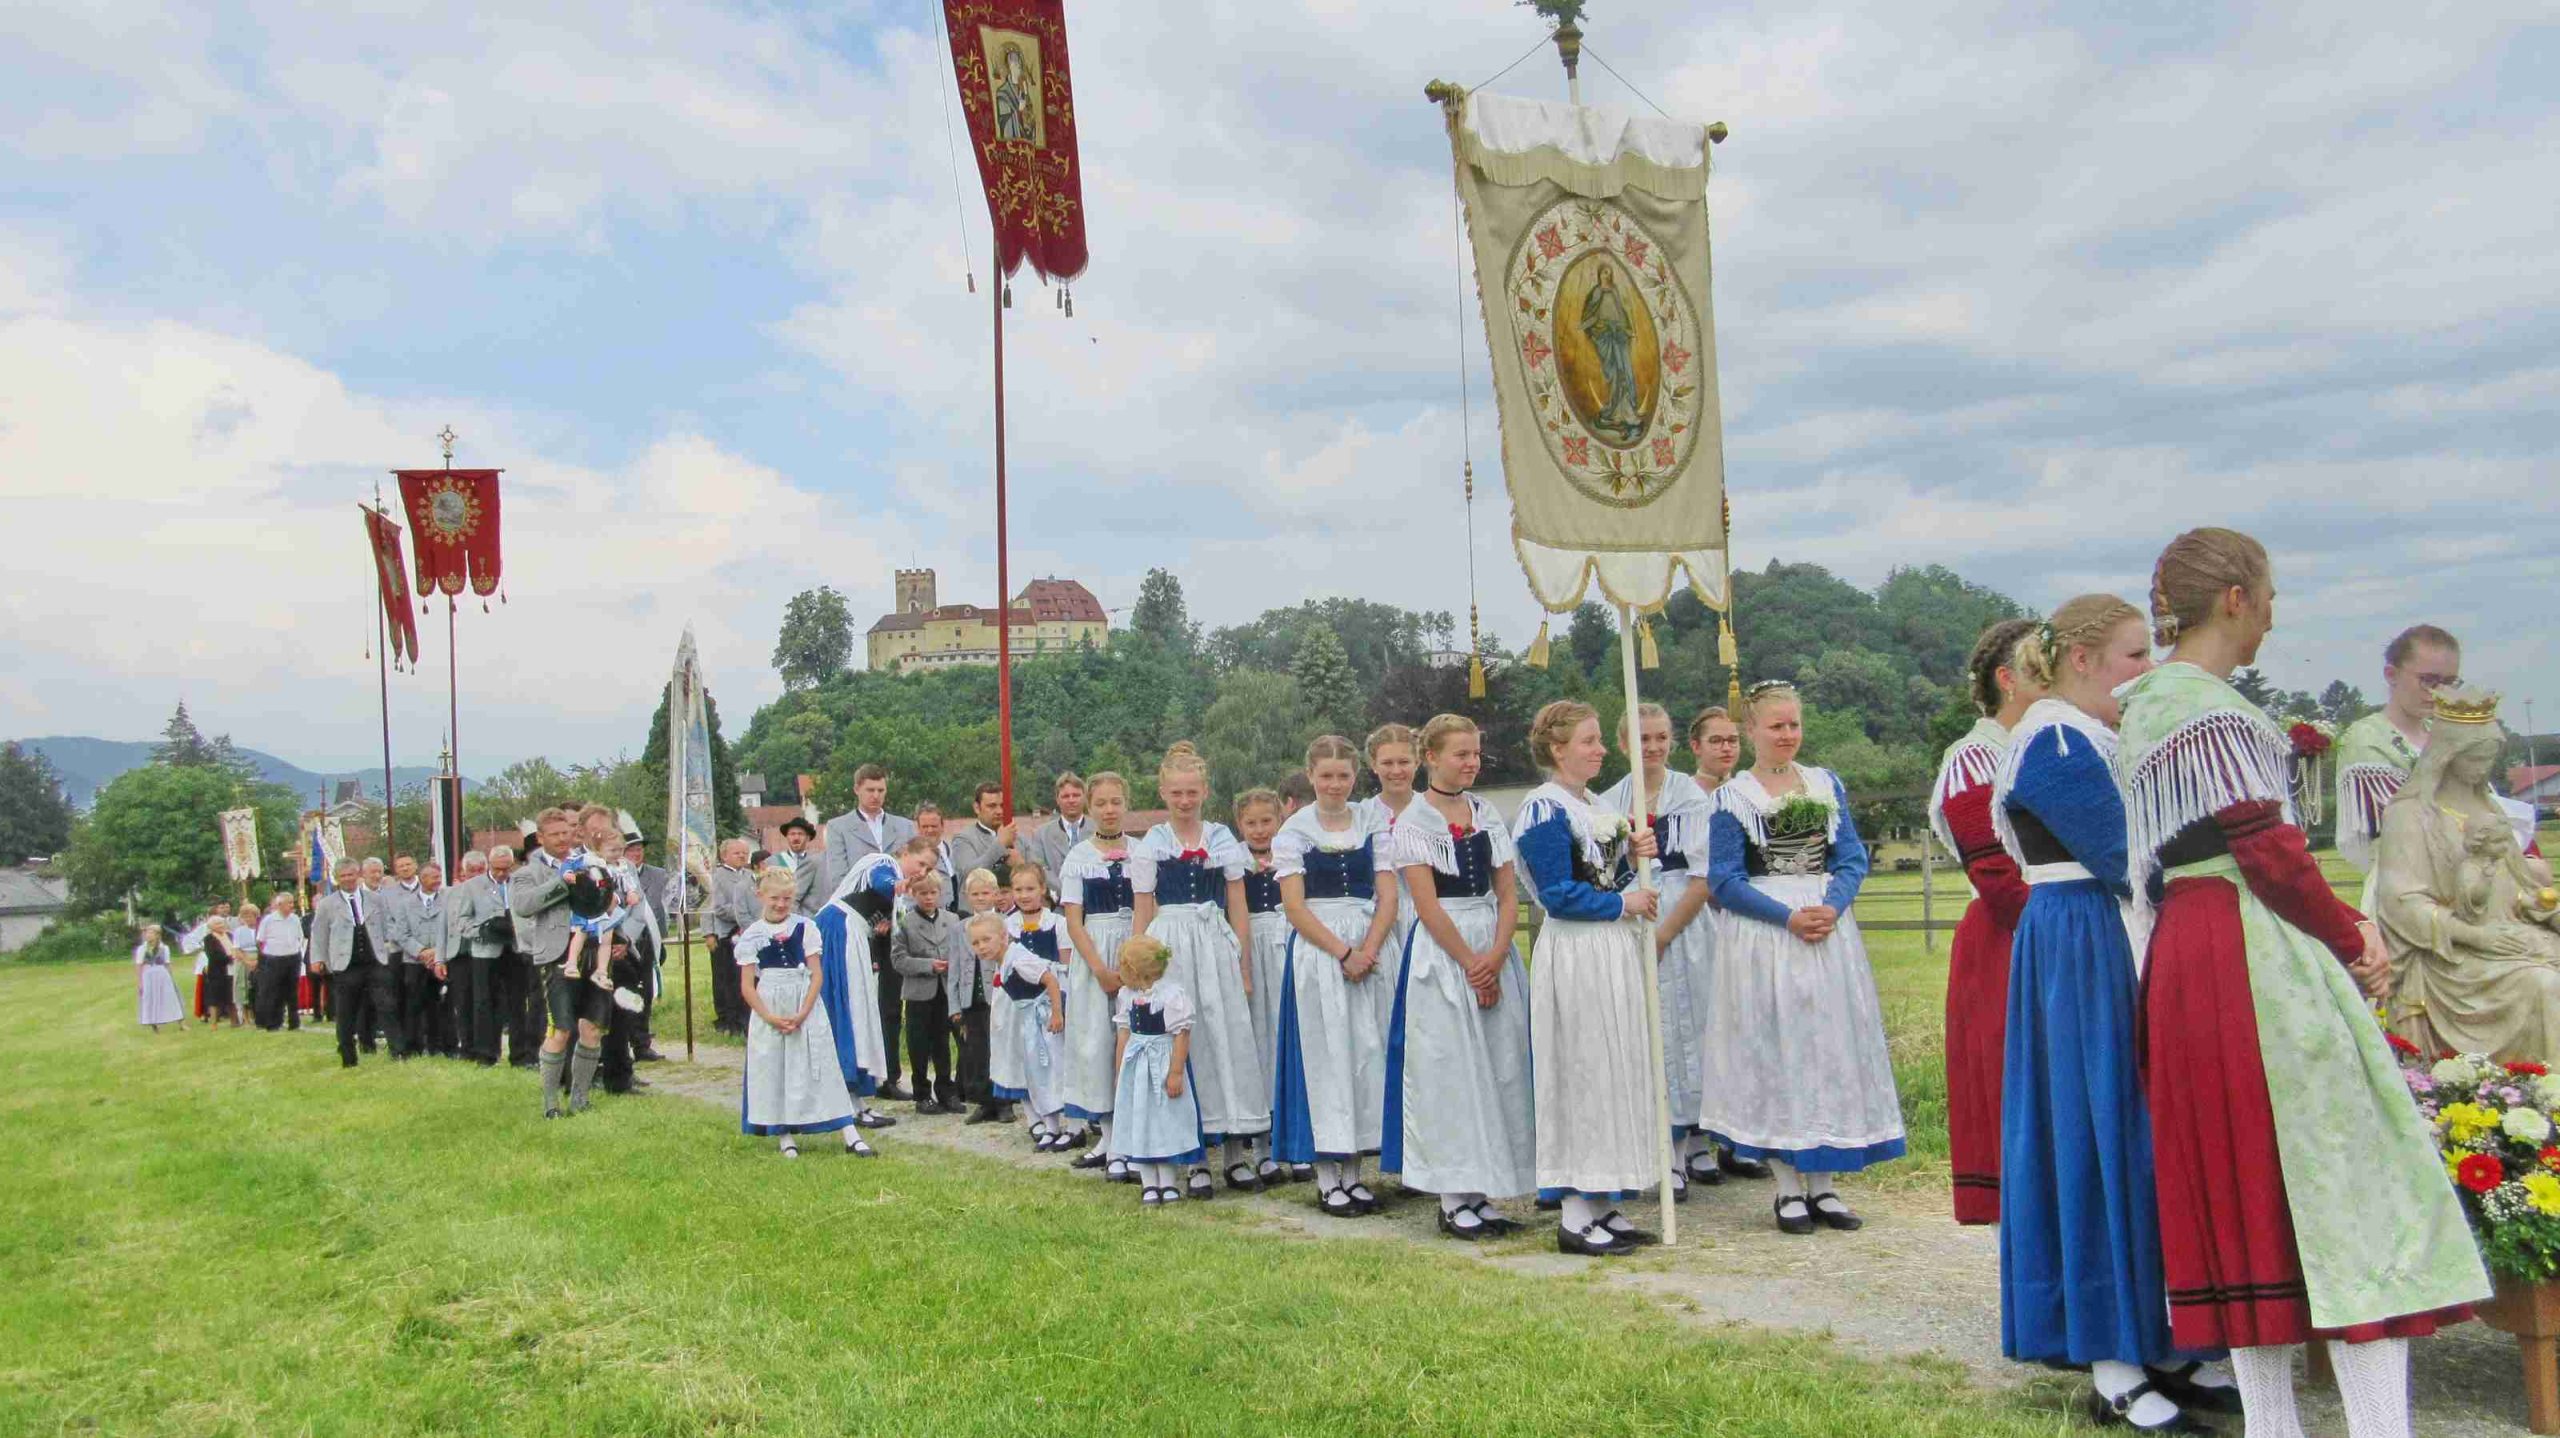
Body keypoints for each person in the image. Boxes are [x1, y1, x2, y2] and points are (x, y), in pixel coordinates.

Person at [2119, 527, 2485, 1438]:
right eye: (2270, 596)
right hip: (2251, 956)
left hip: (2188, 952)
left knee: (2245, 1197)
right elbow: (2269, 851)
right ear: (2235, 598)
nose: (2275, 617)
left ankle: (2274, 1425)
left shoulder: (2146, 704)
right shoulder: (2208, 707)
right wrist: (2352, 934)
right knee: (2349, 1185)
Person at [1991, 597, 2213, 1432]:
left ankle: (2158, 1337)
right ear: (2080, 660)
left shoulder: (2092, 736)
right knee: (2093, 1133)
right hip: (2084, 942)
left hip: (2110, 934)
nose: (2145, 671)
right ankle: (2111, 1358)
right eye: (2133, 656)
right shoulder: (2054, 741)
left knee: (2134, 1133)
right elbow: (2133, 857)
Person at [1697, 681, 1904, 1235]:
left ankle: (1825, 1183)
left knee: (1826, 1047)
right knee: (1778, 1048)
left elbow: (1851, 857)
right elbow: (1724, 880)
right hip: (1768, 933)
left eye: (1794, 724)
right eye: (1776, 726)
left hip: (1825, 925)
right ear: (1751, 730)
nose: (1787, 735)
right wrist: (1786, 917)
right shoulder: (1733, 798)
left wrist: (1832, 906)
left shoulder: (1824, 783)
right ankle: (1787, 1185)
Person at [1510, 700, 1660, 1256]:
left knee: (1615, 1066)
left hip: (1611, 948)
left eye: (1599, 740)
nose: (1600, 750)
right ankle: (1574, 1212)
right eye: (1589, 741)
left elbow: (1605, 876)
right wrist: (1622, 903)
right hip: (1576, 950)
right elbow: (1557, 893)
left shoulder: (1596, 804)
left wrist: (1633, 857)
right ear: (1558, 749)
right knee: (1582, 1069)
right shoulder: (1543, 808)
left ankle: (1605, 1200)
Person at [1386, 714, 1531, 1241]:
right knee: (1450, 1070)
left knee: (1498, 1065)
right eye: (1461, 754)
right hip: (1445, 952)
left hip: (1491, 940)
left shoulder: (1485, 812)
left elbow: (1508, 893)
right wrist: (1471, 963)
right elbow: (1426, 905)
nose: (1472, 763)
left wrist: (1497, 954)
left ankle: (1485, 1188)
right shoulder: (1414, 821)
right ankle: (1452, 1197)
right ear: (1431, 757)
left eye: (1475, 754)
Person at [2376, 689, 2560, 1060]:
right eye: (2475, 757)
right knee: (2544, 984)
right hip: (2453, 956)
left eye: (2489, 757)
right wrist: (2477, 936)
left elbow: (2515, 884)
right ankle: (2542, 1085)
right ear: (2448, 753)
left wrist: (2542, 908)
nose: (2483, 767)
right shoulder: (2409, 815)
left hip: (2509, 934)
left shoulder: (2487, 808)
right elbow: (2401, 904)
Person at [1932, 618, 2041, 1225]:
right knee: (2011, 1078)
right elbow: (1997, 875)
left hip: (2046, 922)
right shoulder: (1975, 758)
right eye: (2038, 665)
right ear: (2007, 679)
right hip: (2010, 933)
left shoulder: (2050, 742)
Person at [1130, 742, 1266, 1201]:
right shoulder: (1153, 843)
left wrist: (1242, 962)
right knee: (1185, 1041)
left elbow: (1238, 905)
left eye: (1192, 792)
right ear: (1163, 793)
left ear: (1205, 792)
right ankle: (1195, 1161)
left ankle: (1235, 1153)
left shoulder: (1222, 838)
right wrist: (1139, 967)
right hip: (1171, 943)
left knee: (1226, 1037)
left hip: (1213, 942)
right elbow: (1143, 907)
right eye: (1176, 793)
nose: (1185, 801)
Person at [1271, 734, 1400, 1214]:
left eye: (1343, 775)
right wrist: (1343, 952)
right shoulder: (1295, 831)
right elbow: (1294, 907)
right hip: (1320, 950)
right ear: (1310, 776)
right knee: (1327, 1057)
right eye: (1326, 775)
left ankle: (1355, 1173)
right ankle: (1328, 1176)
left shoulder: (1371, 820)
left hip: (1370, 946)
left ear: (1355, 776)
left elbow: (1388, 895)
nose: (1335, 784)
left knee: (1365, 1054)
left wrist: (1369, 948)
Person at [1603, 702, 1718, 1200]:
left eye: (1660, 737)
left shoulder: (1689, 795)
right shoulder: (1609, 800)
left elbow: (1703, 876)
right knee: (1651, 1030)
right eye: (1642, 738)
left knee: (1692, 1025)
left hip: (1684, 918)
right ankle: (1661, 1149)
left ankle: (1695, 1139)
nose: (1652, 747)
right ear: (1623, 744)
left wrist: (1667, 933)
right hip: (1633, 913)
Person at [1684, 704, 1765, 1183]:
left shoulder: (1751, 792)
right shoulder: (1689, 797)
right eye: (1715, 740)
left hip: (1751, 921)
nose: (1726, 748)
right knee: (1704, 1027)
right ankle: (1696, 1138)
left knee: (1747, 1028)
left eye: (1732, 739)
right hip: (1705, 917)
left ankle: (1741, 1138)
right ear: (1696, 747)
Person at [737, 868, 869, 1157]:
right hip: (770, 1004)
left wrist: (803, 1011)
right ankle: (784, 1134)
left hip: (804, 1002)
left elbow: (816, 974)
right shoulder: (753, 935)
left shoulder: (806, 927)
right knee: (775, 1067)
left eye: (787, 899)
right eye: (774, 898)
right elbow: (747, 986)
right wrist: (770, 1017)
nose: (780, 904)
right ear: (761, 896)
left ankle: (850, 1133)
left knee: (821, 1064)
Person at [817, 839, 934, 1132]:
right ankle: (847, 1102)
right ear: (905, 853)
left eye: (929, 868)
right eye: (920, 863)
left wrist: (888, 919)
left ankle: (853, 1100)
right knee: (849, 1010)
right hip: (840, 931)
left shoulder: (899, 891)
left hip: (855, 934)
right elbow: (882, 881)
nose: (922, 872)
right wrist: (898, 885)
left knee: (858, 1012)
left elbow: (892, 915)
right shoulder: (882, 862)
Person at [2336, 625, 2463, 878]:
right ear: (2391, 674)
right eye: (2428, 680)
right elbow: (2399, 827)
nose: (2438, 692)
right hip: (2403, 883)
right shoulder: (2367, 739)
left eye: (2449, 682)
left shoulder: (2447, 736)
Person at [1058, 773, 1138, 1166]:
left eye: (1116, 802)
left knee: (1134, 1042)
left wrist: (1135, 961)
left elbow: (1149, 905)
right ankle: (1107, 1136)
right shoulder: (1079, 857)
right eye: (1101, 803)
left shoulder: (1141, 851)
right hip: (1095, 950)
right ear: (1090, 807)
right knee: (1097, 1043)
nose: (1109, 810)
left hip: (1134, 947)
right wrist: (1101, 970)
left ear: (1126, 804)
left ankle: (1133, 1135)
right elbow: (1074, 922)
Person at [510, 808, 607, 1117]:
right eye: (555, 834)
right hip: (556, 956)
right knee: (561, 1030)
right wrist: (562, 882)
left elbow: (609, 896)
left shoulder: (589, 861)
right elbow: (523, 905)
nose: (563, 839)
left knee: (592, 1028)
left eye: (566, 832)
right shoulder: (527, 873)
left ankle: (580, 1098)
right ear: (540, 838)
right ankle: (551, 1103)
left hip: (594, 952)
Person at [1110, 936, 1204, 1207]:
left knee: (1165, 1122)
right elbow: (1124, 1034)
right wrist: (1119, 1072)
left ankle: (1168, 1182)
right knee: (1140, 1121)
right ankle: (1148, 1182)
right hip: (1137, 1067)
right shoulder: (1127, 996)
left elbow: (1181, 1035)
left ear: (1135, 971)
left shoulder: (1170, 995)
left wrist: (1175, 1072)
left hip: (1162, 1063)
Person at [1232, 786, 1295, 1185]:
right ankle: (1260, 1146)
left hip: (1287, 943)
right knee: (1257, 1042)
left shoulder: (1290, 853)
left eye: (1266, 821)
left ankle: (1294, 1143)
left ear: (1279, 820)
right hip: (1251, 948)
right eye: (1251, 823)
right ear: (1239, 825)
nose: (1259, 830)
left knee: (1286, 1039)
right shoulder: (1234, 861)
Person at [996, 863, 1072, 1147]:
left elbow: (1065, 966)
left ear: (1043, 889)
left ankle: (1069, 1122)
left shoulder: (1057, 923)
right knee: (1025, 1059)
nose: (1024, 895)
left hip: (1049, 1000)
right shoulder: (1007, 926)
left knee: (1055, 1060)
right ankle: (1038, 1120)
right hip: (1019, 1003)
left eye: (1030, 888)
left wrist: (1059, 1005)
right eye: (1018, 889)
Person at [980, 910, 1069, 1150]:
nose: (981, 947)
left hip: (1042, 1020)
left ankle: (1070, 1126)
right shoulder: (1005, 961)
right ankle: (1050, 1126)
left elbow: (1050, 980)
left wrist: (1056, 1013)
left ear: (1004, 936)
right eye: (976, 943)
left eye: (986, 940)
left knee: (1051, 1071)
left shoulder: (1018, 959)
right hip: (1029, 1021)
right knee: (1036, 1073)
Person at [1357, 723, 1422, 1045]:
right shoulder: (1362, 814)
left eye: (1404, 762)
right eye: (1387, 763)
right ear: (1374, 765)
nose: (1396, 770)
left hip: (1426, 915)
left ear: (1418, 762)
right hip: (1380, 919)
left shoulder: (1432, 809)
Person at [311, 858, 403, 1067]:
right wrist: (318, 959)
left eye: (351, 875)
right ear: (337, 878)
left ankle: (398, 1051)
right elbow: (319, 934)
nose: (347, 879)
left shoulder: (375, 899)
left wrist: (390, 946)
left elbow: (388, 925)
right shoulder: (327, 905)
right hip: (346, 965)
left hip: (375, 961)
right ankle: (348, 1056)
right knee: (346, 1012)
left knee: (387, 1005)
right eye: (343, 876)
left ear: (358, 875)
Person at [890, 871, 963, 1114]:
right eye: (923, 893)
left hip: (945, 990)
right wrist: (928, 965)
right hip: (918, 993)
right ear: (913, 894)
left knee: (943, 1042)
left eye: (933, 893)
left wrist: (952, 965)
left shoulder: (952, 919)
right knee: (918, 1044)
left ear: (940, 893)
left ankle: (946, 1091)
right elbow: (898, 960)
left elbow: (961, 951)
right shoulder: (904, 920)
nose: (929, 898)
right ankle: (922, 1094)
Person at [955, 867, 1010, 1124]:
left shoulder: (1006, 923)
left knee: (1000, 1049)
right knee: (976, 1051)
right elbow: (955, 967)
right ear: (967, 896)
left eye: (985, 893)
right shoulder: (960, 928)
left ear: (995, 894)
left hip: (997, 996)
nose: (980, 898)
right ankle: (984, 1102)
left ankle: (1004, 1102)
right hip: (972, 998)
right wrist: (954, 1005)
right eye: (975, 894)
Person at [822, 763, 916, 899]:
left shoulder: (905, 826)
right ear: (856, 789)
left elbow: (916, 872)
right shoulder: (837, 827)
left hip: (901, 902)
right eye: (870, 790)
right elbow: (838, 879)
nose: (876, 795)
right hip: (859, 903)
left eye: (881, 790)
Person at [620, 821, 672, 1062]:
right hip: (624, 939)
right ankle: (622, 1044)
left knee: (646, 991)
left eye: (639, 849)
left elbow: (667, 903)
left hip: (649, 938)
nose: (635, 853)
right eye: (630, 849)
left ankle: (642, 1043)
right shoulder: (618, 872)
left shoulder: (659, 874)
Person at [704, 838, 756, 1038]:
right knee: (725, 978)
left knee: (745, 976)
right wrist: (709, 933)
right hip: (726, 933)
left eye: (744, 853)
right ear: (724, 855)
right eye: (737, 853)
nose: (742, 856)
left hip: (747, 932)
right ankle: (727, 1019)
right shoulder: (716, 877)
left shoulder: (750, 875)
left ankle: (745, 1017)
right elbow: (713, 907)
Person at [1022, 772, 1091, 898]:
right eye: (1065, 796)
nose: (1071, 800)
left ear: (1085, 797)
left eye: (1076, 795)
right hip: (1058, 903)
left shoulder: (1099, 831)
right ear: (1057, 800)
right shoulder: (1041, 834)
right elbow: (1039, 870)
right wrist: (1068, 892)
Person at [251, 893, 305, 1031]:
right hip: (274, 959)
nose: (292, 905)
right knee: (274, 991)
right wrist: (267, 955)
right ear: (280, 905)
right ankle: (273, 1022)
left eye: (292, 902)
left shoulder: (295, 919)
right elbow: (260, 940)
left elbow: (299, 936)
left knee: (292, 991)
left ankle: (294, 1022)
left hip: (293, 957)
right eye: (289, 903)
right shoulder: (269, 920)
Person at [135, 924, 185, 1031]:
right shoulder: (142, 949)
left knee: (171, 997)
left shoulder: (164, 948)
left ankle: (181, 1023)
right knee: (151, 998)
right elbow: (139, 965)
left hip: (162, 974)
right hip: (148, 975)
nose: (148, 935)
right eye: (147, 933)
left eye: (151, 933)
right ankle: (154, 1024)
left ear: (157, 935)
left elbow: (167, 963)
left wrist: (171, 977)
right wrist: (140, 982)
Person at [776, 816, 825, 916]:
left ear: (808, 838)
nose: (796, 838)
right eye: (792, 834)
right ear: (787, 837)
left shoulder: (818, 862)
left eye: (800, 834)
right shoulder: (773, 862)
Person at [198, 916, 243, 1027]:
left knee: (231, 997)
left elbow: (237, 948)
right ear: (211, 927)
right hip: (217, 971)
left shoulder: (230, 935)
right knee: (215, 998)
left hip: (232, 970)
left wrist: (236, 956)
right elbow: (213, 955)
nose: (220, 926)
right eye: (217, 924)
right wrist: (230, 958)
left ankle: (235, 1022)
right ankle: (214, 1023)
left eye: (221, 923)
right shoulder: (208, 939)